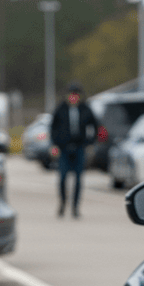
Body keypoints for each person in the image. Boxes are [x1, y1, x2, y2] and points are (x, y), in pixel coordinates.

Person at [49, 82, 97, 217]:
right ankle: (63, 202)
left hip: (79, 147)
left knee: (78, 179)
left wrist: (90, 143)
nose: (74, 98)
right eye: (72, 95)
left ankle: (75, 207)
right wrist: (54, 144)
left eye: (76, 95)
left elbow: (94, 126)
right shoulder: (60, 108)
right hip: (64, 148)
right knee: (63, 177)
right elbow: (53, 127)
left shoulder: (85, 109)